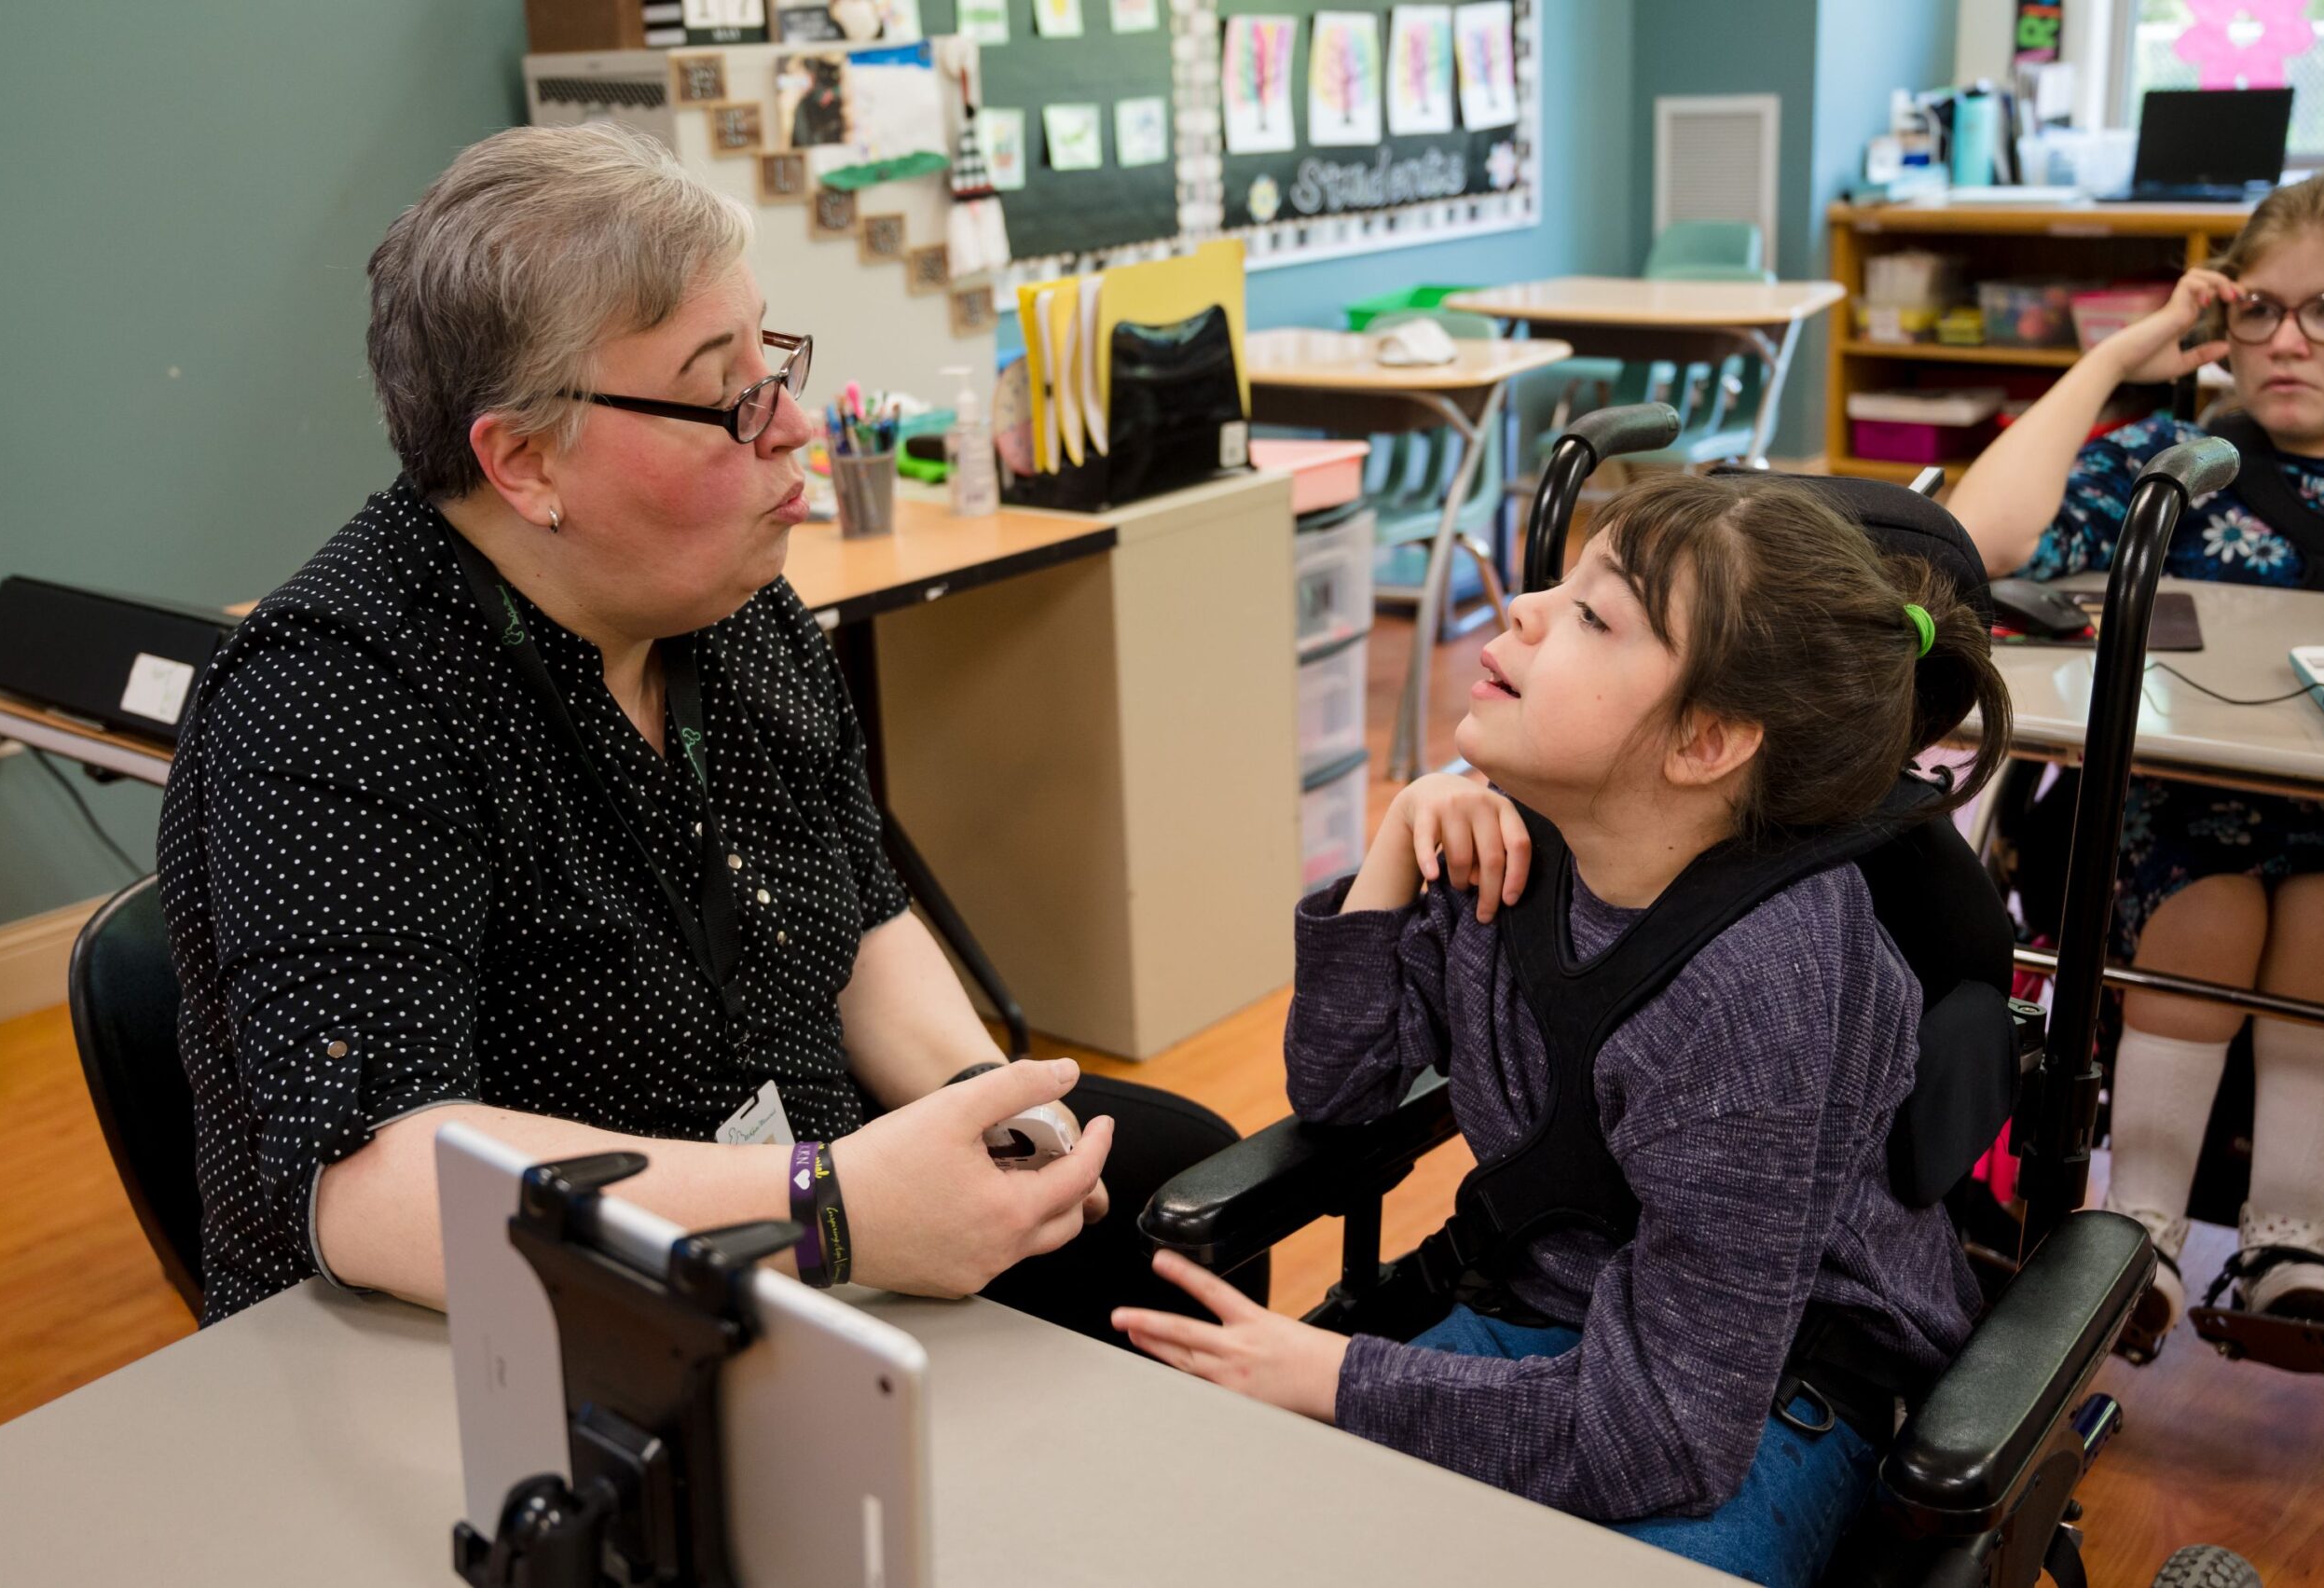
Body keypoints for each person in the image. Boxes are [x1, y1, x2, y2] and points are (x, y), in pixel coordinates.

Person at [157, 122, 1257, 1336]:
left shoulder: (737, 608)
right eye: (720, 395)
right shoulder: (336, 691)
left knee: (1171, 1193)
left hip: (788, 1208)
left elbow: (865, 921)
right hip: (508, 1323)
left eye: (768, 361)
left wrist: (978, 1097)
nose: (788, 425)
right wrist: (829, 1208)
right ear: (524, 459)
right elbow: (378, 1189)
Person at [1115, 473, 2009, 1585]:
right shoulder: (1515, 852)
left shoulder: (1765, 982)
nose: (1526, 607)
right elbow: (1340, 1091)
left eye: (1594, 613)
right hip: (1548, 1326)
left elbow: (1673, 1434)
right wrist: (1396, 841)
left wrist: (1333, 1377)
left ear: (1707, 739)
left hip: (1767, 1395)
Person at [1947, 174, 2324, 1347]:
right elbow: (1987, 536)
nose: (2287, 339)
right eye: (2259, 309)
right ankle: (2140, 1232)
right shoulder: (2179, 458)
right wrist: (2125, 353)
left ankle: (2290, 1238)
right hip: (2180, 807)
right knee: (2207, 913)